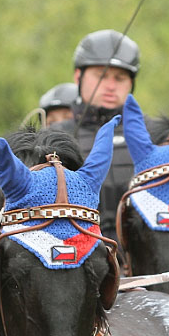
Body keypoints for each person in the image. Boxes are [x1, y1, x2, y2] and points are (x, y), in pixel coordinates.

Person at [49, 29, 153, 246]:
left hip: (144, 264)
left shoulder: (155, 135)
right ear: (78, 76)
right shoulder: (51, 137)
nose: (111, 85)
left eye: (120, 78)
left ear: (131, 83)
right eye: (102, 75)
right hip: (72, 261)